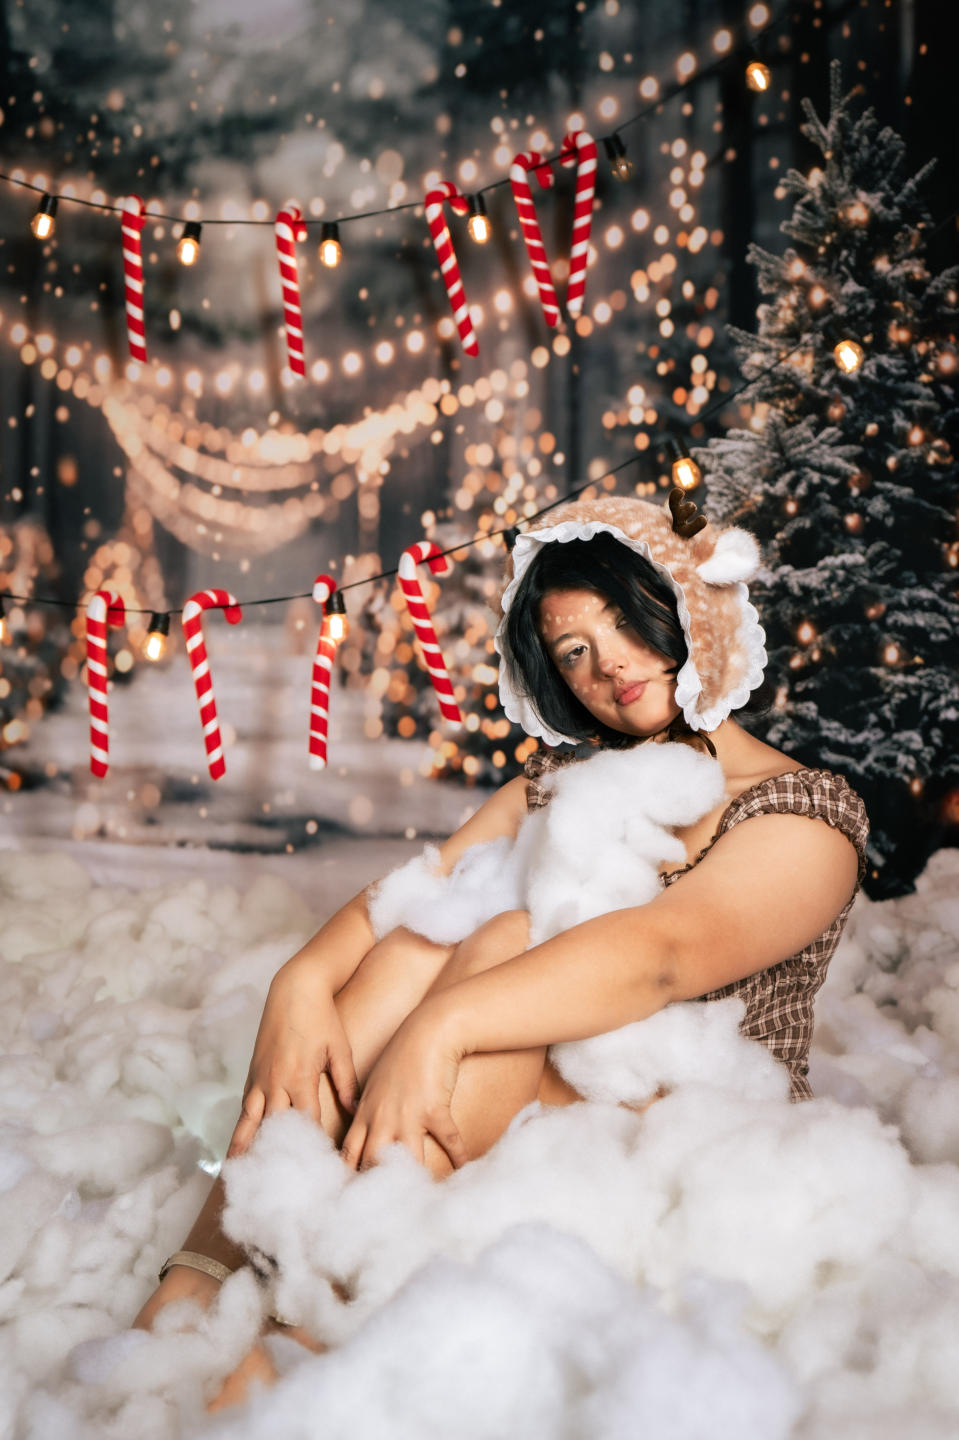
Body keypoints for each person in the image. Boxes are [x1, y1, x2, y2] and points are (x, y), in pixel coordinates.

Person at [133, 490, 868, 1405]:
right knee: (417, 946)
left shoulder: (802, 812)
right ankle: (203, 1271)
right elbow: (414, 894)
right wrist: (300, 983)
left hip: (693, 1130)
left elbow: (660, 957)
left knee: (505, 937)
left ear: (689, 608)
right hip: (525, 1095)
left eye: (624, 621)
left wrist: (440, 1029)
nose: (608, 664)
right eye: (573, 652)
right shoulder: (565, 781)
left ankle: (318, 1322)